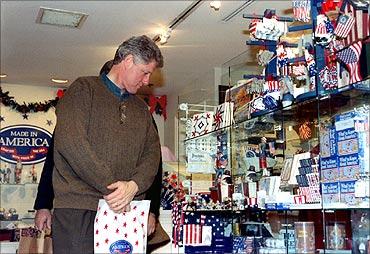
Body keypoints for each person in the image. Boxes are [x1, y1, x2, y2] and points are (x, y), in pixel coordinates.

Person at [51, 35, 163, 253]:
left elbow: (152, 155)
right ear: (128, 61)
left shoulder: (141, 109)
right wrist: (114, 189)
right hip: (80, 210)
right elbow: (71, 143)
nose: (147, 80)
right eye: (145, 72)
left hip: (128, 212)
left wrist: (133, 187)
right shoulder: (83, 89)